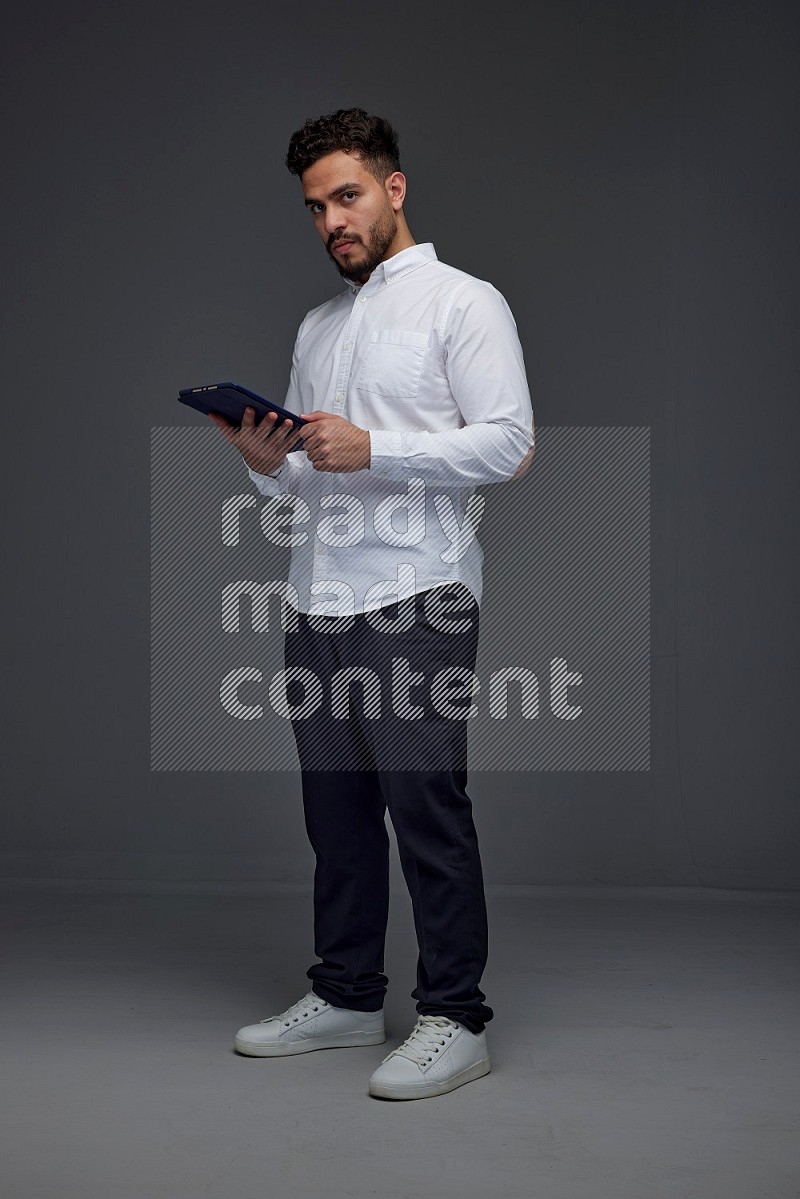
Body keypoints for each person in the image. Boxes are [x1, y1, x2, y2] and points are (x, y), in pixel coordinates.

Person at [210, 108, 534, 1100]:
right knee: (337, 813)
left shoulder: (462, 304)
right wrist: (270, 467)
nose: (330, 222)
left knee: (424, 806)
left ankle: (454, 1015)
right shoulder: (317, 327)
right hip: (317, 595)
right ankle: (347, 994)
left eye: (346, 196)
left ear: (392, 189)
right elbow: (314, 482)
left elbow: (509, 442)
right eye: (314, 208)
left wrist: (377, 446)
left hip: (415, 594)